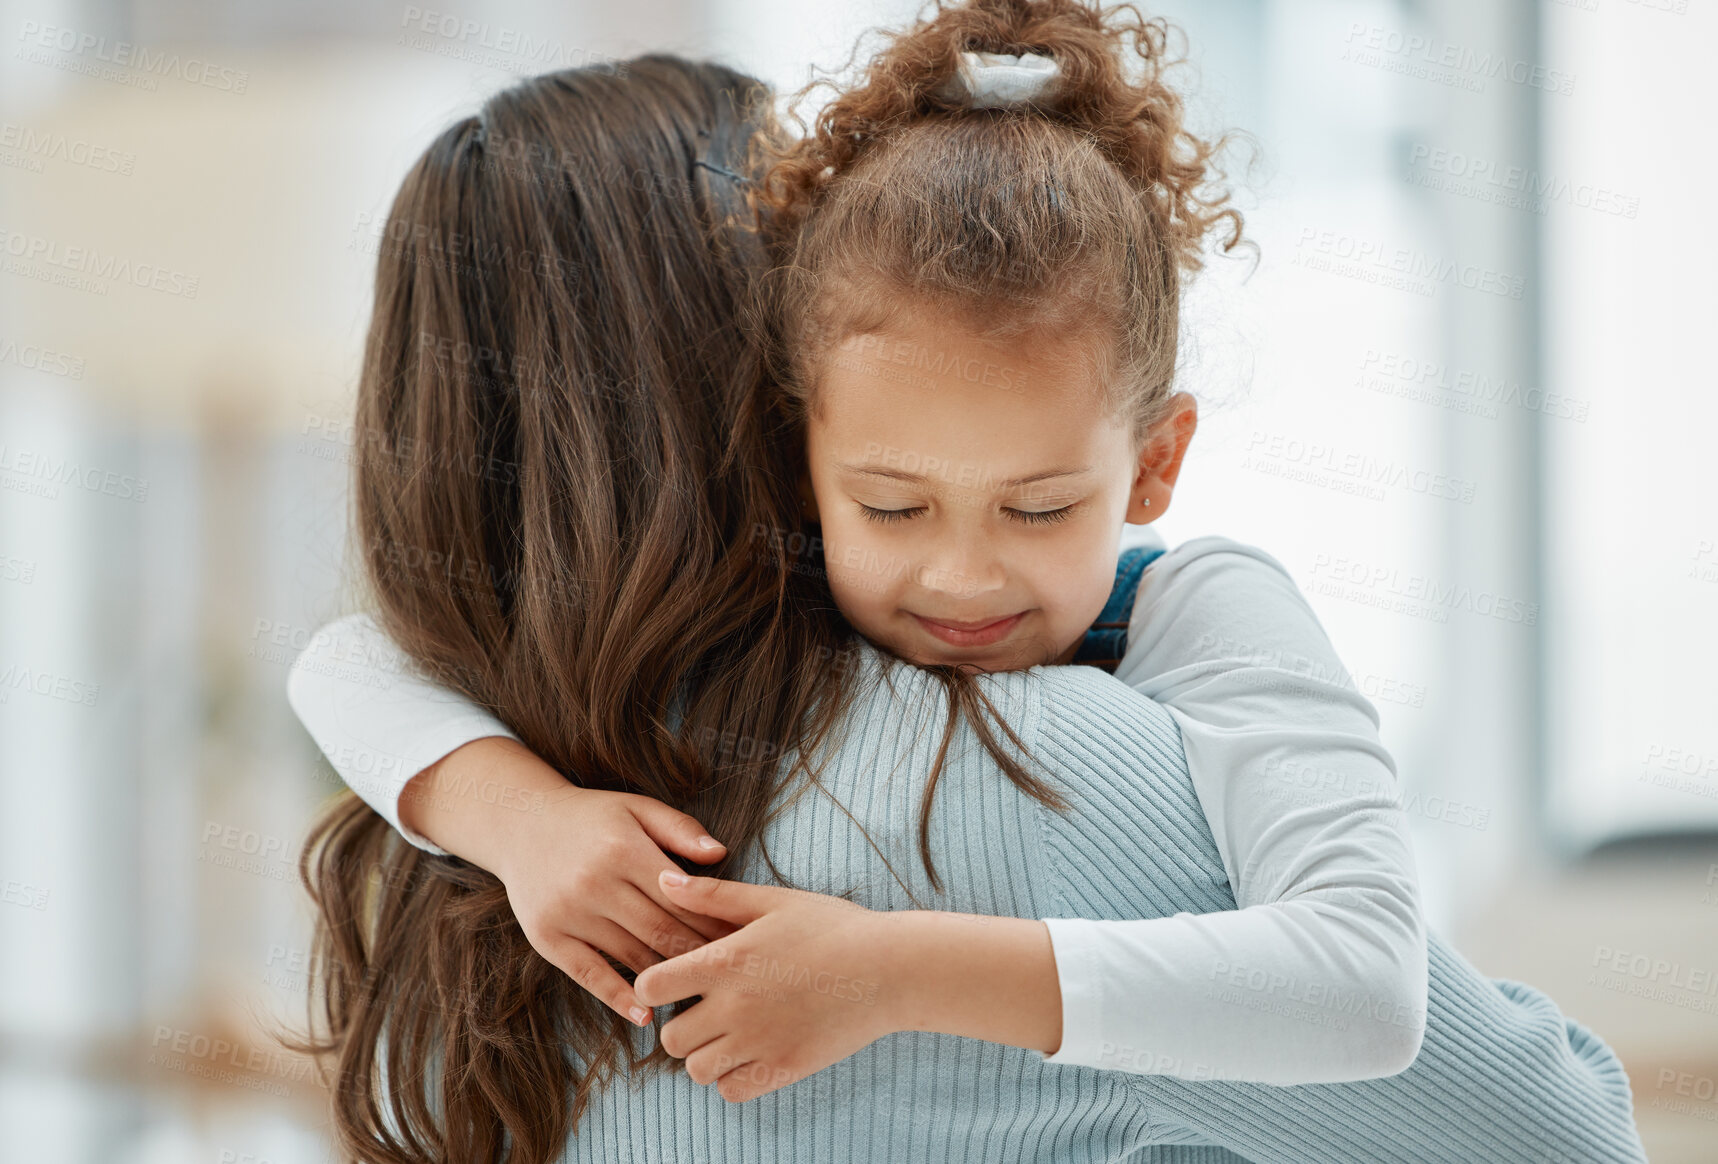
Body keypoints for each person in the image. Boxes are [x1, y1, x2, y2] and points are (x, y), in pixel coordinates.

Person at [289, 33, 1645, 1164]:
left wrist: (500, 807)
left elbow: (348, 658)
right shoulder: (1034, 780)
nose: (963, 575)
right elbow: (1551, 1138)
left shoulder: (455, 840)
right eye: (893, 499)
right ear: (780, 395)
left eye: (1036, 503)